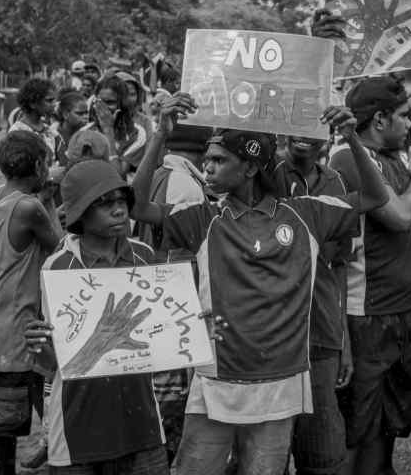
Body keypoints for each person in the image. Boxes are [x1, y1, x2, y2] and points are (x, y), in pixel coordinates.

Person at [130, 93, 389, 474]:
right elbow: (137, 207)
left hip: (280, 384)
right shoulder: (202, 218)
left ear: (250, 168)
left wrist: (350, 137)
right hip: (216, 380)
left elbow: (376, 195)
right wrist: (159, 136)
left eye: (219, 160)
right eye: (207, 159)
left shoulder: (307, 215)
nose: (208, 167)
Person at [24, 159, 169, 474]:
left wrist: (192, 327)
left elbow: (162, 335)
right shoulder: (59, 267)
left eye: (121, 201)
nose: (118, 210)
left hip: (141, 421)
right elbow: (55, 359)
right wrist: (38, 341)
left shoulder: (144, 256)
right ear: (80, 213)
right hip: (79, 425)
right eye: (104, 204)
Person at [329, 75, 411, 475]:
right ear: (380, 121)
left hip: (407, 309)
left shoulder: (396, 154)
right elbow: (400, 217)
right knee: (358, 428)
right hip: (369, 316)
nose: (410, 126)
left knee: (388, 424)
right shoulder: (349, 158)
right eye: (403, 118)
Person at [273, 134, 352, 475]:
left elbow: (340, 266)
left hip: (320, 334)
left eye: (312, 124)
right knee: (266, 453)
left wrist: (343, 338)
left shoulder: (335, 182)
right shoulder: (263, 172)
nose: (302, 135)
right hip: (269, 336)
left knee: (321, 453)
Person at [138, 121, 212, 466]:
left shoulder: (158, 174)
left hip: (155, 293)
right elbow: (184, 250)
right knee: (172, 411)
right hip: (175, 298)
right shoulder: (185, 183)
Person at [0, 131, 61, 475]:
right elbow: (59, 247)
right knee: (4, 430)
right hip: (15, 340)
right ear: (38, 165)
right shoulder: (28, 207)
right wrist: (48, 198)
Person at [9, 78, 61, 164]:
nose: (54, 104)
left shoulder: (51, 132)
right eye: (49, 100)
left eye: (54, 100)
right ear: (32, 103)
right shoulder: (17, 133)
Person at [54, 91, 90, 166]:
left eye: (86, 113)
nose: (85, 117)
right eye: (80, 113)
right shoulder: (53, 136)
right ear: (65, 114)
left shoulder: (89, 134)